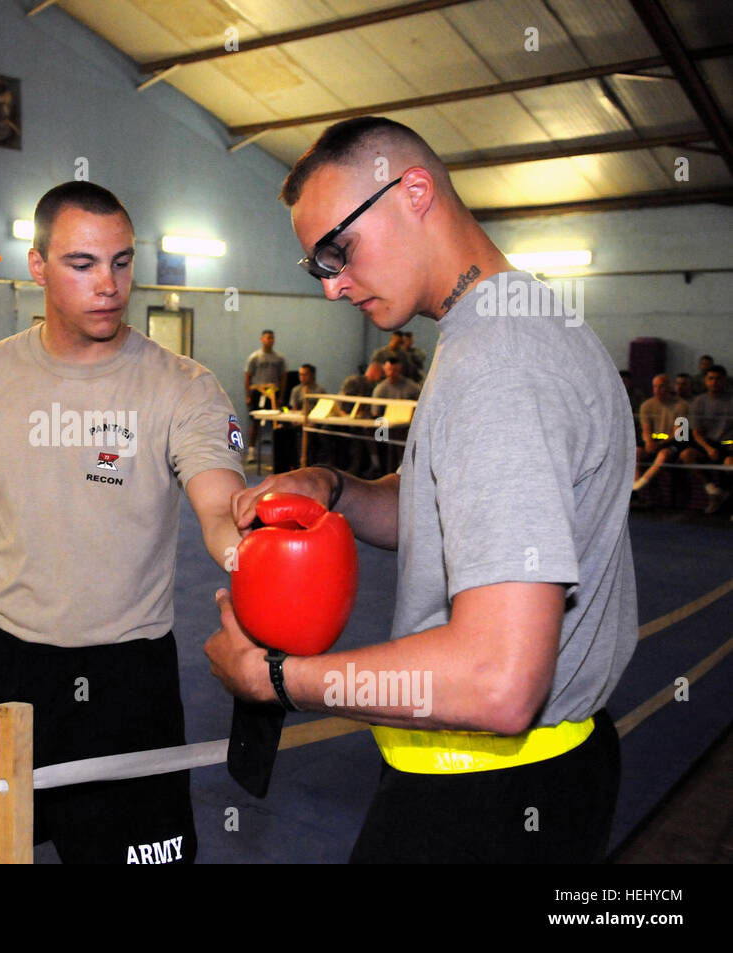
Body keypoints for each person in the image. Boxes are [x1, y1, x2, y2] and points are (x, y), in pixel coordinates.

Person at [205, 116, 636, 863]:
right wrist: (336, 484)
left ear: (412, 191)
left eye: (338, 251)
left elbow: (498, 679)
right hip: (536, 778)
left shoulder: (499, 362)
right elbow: (445, 513)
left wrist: (275, 678)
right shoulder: (512, 320)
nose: (335, 284)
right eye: (317, 268)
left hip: (484, 801)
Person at [0, 182, 246, 864]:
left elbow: (217, 505)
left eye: (122, 261)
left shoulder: (183, 386)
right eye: (82, 263)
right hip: (4, 660)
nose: (110, 284)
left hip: (128, 680)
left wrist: (255, 557)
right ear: (36, 267)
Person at [682, 365, 733, 514]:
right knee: (687, 455)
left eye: (718, 379)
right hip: (708, 443)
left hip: (728, 444)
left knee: (730, 464)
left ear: (724, 381)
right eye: (711, 378)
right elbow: (696, 432)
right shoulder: (699, 401)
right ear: (706, 381)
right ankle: (711, 489)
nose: (714, 382)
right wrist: (708, 448)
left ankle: (726, 497)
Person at [634, 374, 688, 492]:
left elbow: (678, 433)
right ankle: (634, 484)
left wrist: (659, 444)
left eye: (661, 386)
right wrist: (649, 442)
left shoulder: (682, 405)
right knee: (635, 452)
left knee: (663, 455)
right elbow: (646, 429)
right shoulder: (646, 405)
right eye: (655, 387)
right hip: (654, 440)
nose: (657, 390)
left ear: (669, 387)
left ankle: (642, 483)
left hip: (674, 441)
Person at [244, 329, 286, 463]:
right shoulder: (255, 357)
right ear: (262, 339)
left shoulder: (279, 358)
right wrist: (248, 395)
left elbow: (283, 377)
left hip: (273, 393)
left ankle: (277, 453)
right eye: (268, 338)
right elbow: (248, 376)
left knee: (276, 423)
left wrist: (281, 396)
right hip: (258, 392)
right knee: (255, 422)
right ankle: (251, 452)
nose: (270, 340)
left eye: (272, 338)